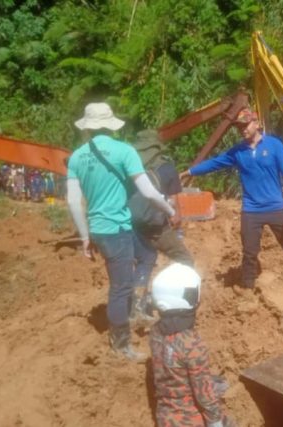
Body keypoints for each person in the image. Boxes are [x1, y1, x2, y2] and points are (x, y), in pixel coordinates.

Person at [66, 102, 178, 362]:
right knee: (119, 287)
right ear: (110, 125)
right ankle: (120, 345)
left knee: (147, 254)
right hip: (116, 230)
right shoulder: (124, 151)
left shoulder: (77, 157)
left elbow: (73, 201)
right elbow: (149, 192)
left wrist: (84, 237)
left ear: (88, 129)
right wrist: (170, 210)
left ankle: (136, 311)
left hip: (100, 230)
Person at [180, 108, 283, 289]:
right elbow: (214, 163)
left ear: (257, 124)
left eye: (245, 125)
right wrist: (190, 171)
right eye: (239, 127)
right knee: (249, 253)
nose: (242, 129)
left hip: (276, 208)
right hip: (251, 211)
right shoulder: (237, 152)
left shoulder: (275, 146)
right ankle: (248, 290)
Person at [149, 263, 236, 427]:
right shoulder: (191, 344)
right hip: (191, 420)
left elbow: (174, 371)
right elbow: (204, 395)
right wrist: (215, 422)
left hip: (165, 416)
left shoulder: (155, 332)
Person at [131, 129, 194, 324]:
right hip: (156, 224)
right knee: (185, 259)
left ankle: (137, 304)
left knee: (144, 261)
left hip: (131, 224)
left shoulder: (130, 164)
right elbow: (174, 200)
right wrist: (177, 216)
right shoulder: (166, 166)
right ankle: (176, 297)